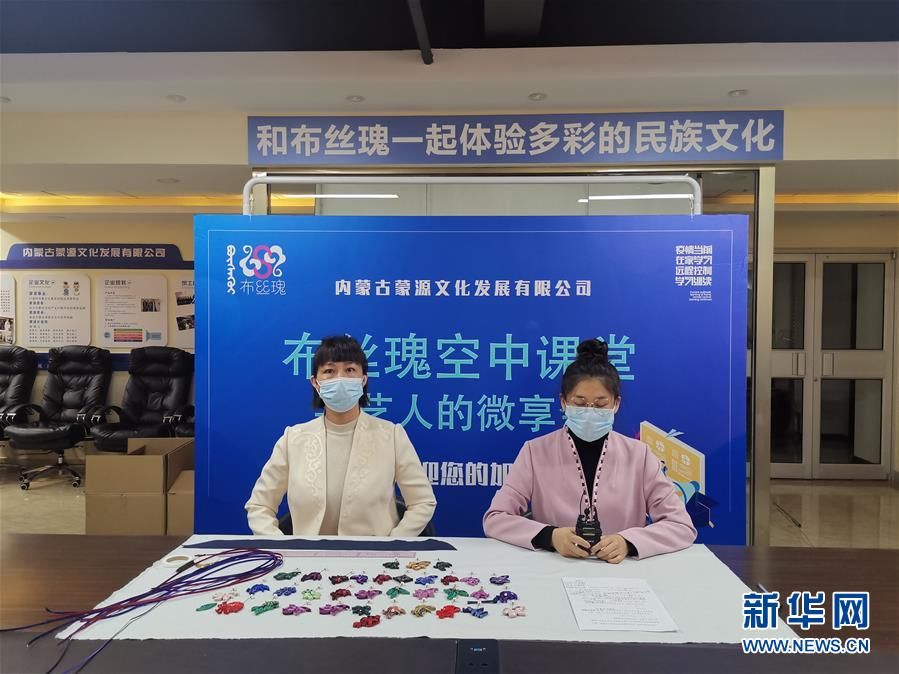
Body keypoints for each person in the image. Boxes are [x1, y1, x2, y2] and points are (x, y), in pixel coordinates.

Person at [483, 338, 696, 562]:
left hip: (623, 573)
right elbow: (495, 518)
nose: (590, 411)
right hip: (553, 569)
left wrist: (629, 542)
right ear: (563, 402)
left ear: (616, 404)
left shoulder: (639, 455)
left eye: (601, 404)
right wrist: (550, 536)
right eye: (580, 403)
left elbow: (681, 526)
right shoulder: (535, 452)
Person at [245, 335, 436, 536]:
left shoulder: (391, 436)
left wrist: (392, 544)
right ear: (315, 382)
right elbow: (259, 506)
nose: (340, 378)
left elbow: (422, 502)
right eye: (329, 371)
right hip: (309, 555)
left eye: (350, 370)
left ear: (363, 380)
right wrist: (282, 547)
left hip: (373, 554)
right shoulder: (293, 440)